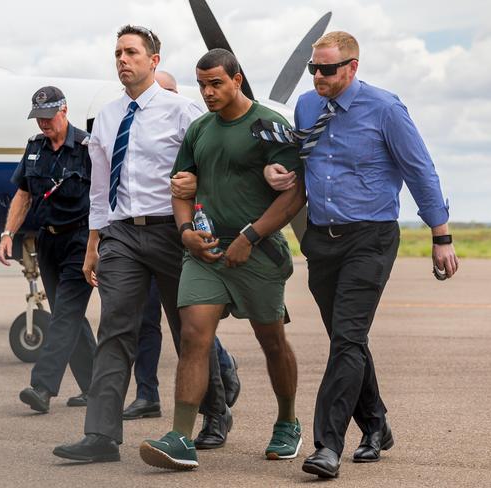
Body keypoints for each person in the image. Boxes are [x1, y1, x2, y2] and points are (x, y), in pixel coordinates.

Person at [263, 31, 459, 479]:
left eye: (327, 69)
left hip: (370, 238)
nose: (317, 76)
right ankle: (375, 424)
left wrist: (441, 235)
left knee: (347, 338)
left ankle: (327, 446)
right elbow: (300, 160)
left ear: (352, 67)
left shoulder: (386, 109)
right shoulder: (307, 106)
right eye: (314, 68)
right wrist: (275, 172)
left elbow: (420, 170)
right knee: (345, 338)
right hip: (321, 239)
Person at [52, 25, 230, 463]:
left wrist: (199, 198)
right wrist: (94, 241)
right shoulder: (107, 117)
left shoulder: (183, 111)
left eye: (131, 52)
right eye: (117, 53)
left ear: (154, 61)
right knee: (115, 331)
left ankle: (214, 415)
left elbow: (211, 167)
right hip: (122, 234)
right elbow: (98, 187)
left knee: (188, 329)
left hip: (174, 231)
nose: (122, 60)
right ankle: (100, 436)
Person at [139, 48, 306, 471]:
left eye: (216, 83)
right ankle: (180, 436)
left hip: (258, 252)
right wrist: (185, 234)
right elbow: (181, 191)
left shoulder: (269, 126)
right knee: (194, 334)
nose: (208, 92)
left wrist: (252, 235)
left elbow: (294, 193)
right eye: (202, 85)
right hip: (206, 253)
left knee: (272, 342)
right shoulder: (198, 130)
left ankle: (287, 421)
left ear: (237, 79)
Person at [125, 70, 241, 421]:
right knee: (142, 320)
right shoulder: (134, 123)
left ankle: (216, 401)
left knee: (189, 326)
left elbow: (219, 170)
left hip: (181, 232)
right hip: (139, 234)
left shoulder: (191, 119)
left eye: (169, 90)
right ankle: (146, 394)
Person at [0, 86, 96, 413]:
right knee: (70, 317)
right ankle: (97, 388)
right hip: (47, 241)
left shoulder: (87, 148)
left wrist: (100, 242)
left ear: (64, 110)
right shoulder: (35, 148)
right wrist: (8, 233)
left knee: (64, 316)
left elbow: (106, 197)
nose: (43, 123)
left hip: (81, 241)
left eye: (48, 116)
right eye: (38, 118)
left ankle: (42, 387)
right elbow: (23, 195)